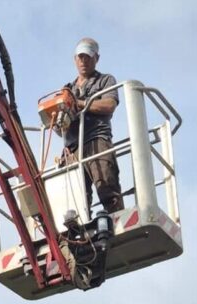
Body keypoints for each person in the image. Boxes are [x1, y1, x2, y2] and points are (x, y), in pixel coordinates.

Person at [61, 38, 123, 213]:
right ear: (75, 59)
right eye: (80, 57)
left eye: (87, 57)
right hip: (73, 148)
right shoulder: (68, 89)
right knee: (75, 199)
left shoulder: (105, 81)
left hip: (97, 140)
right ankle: (78, 234)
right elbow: (59, 125)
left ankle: (116, 221)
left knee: (107, 186)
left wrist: (80, 103)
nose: (83, 61)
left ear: (97, 58)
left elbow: (109, 105)